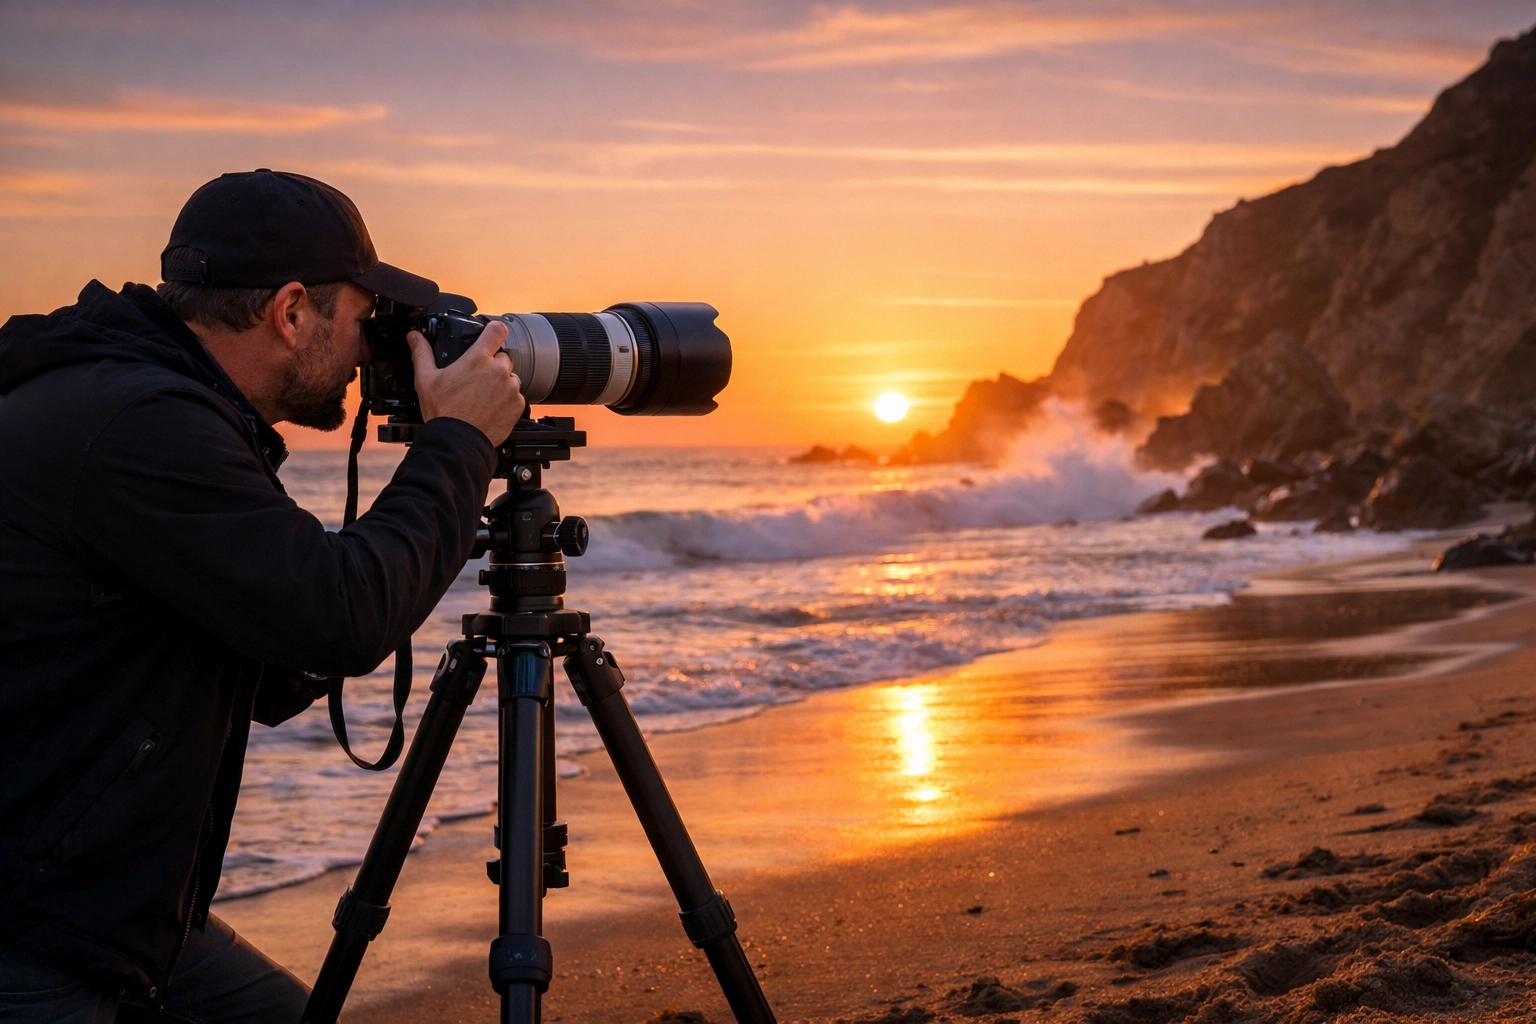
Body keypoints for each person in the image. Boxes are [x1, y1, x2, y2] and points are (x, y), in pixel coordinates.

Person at [0, 169, 524, 1022]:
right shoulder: (141, 425)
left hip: (101, 896)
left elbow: (280, 653)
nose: (368, 353)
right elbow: (339, 618)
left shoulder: (157, 401)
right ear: (290, 313)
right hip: (38, 922)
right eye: (360, 320)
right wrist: (459, 443)